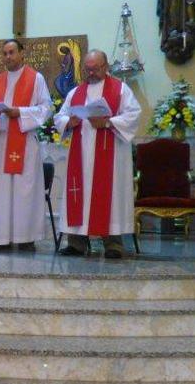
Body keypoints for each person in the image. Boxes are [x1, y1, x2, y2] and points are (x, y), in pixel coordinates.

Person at [54, 49, 142, 259]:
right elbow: (60, 116)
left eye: (95, 69)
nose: (91, 73)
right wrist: (70, 122)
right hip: (81, 156)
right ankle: (76, 243)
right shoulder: (75, 93)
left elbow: (133, 115)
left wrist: (108, 122)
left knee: (109, 195)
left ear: (106, 67)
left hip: (110, 156)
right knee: (79, 195)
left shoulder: (121, 90)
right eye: (88, 69)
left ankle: (113, 244)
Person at [0, 39, 53, 251]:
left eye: (12, 52)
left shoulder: (36, 78)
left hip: (24, 143)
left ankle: (25, 238)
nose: (8, 57)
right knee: (0, 192)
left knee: (24, 192)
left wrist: (19, 112)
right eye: (4, 53)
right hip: (1, 143)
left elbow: (46, 108)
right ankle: (0, 237)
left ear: (22, 54)